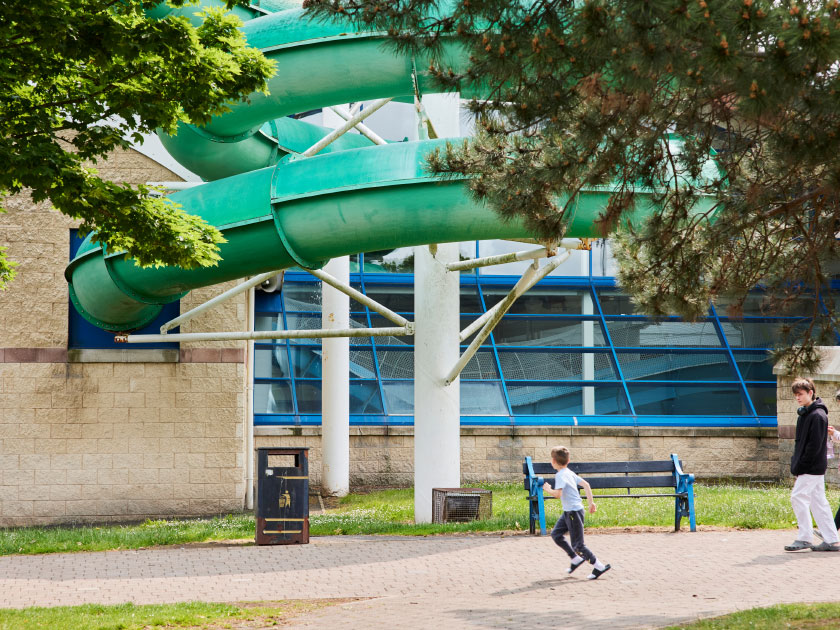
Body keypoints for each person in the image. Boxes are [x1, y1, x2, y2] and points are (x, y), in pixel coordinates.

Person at [785, 377, 840, 552]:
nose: (797, 398)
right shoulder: (809, 414)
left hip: (811, 466)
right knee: (818, 501)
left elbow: (813, 446)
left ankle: (805, 537)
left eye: (800, 394)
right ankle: (832, 540)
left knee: (798, 497)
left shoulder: (816, 415)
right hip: (813, 466)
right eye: (795, 395)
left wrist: (800, 465)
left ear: (810, 393)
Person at [542, 445, 611, 579]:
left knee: (578, 545)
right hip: (570, 512)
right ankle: (575, 559)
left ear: (554, 462)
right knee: (556, 534)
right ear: (568, 461)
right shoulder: (569, 472)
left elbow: (557, 494)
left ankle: (599, 566)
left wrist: (547, 489)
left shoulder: (561, 475)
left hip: (573, 513)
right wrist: (591, 502)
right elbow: (586, 485)